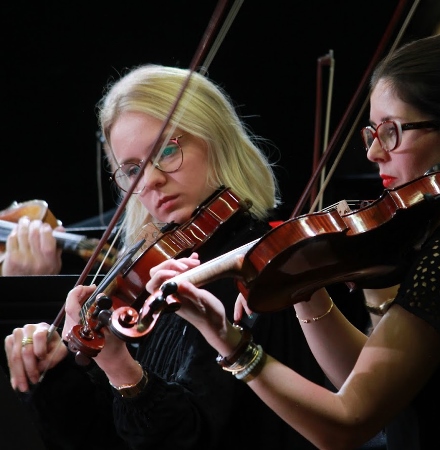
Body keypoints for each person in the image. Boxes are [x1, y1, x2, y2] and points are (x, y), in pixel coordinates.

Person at [144, 33, 440, 450]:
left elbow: (345, 424)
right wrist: (305, 289)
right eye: (372, 134)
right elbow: (369, 380)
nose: (374, 153)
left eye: (392, 131)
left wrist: (227, 340)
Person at [4, 64, 323, 449]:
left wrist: (123, 369)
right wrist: (58, 373)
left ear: (217, 139)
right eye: (133, 169)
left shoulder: (255, 270)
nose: (151, 179)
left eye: (168, 150)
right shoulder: (153, 276)